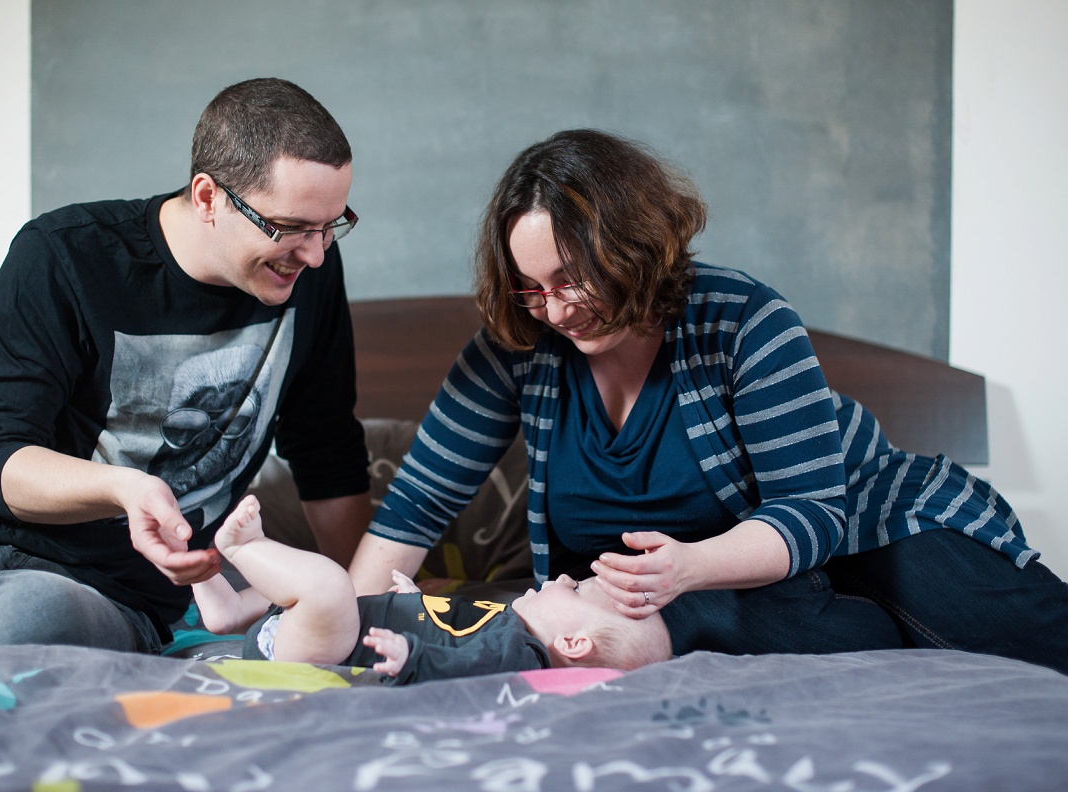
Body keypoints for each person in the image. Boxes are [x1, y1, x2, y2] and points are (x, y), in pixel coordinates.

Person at [349, 128, 1068, 674]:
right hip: (733, 600)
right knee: (727, 626)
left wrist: (687, 565)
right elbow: (416, 504)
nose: (555, 309)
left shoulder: (741, 319)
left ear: (628, 247)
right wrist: (345, 624)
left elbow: (812, 511)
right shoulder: (516, 352)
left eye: (571, 278)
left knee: (1027, 642)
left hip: (871, 522)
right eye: (530, 288)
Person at [0, 78, 374, 662]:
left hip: (109, 589)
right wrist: (123, 488)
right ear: (208, 197)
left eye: (331, 226)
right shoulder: (65, 255)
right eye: (289, 228)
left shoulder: (310, 278)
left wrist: (362, 597)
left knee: (28, 618)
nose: (313, 253)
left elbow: (326, 447)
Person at [194, 495, 672, 684]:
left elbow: (465, 664)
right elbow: (453, 628)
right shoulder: (505, 622)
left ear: (573, 644)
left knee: (329, 586)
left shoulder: (523, 654)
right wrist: (413, 601)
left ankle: (245, 547)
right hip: (302, 637)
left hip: (324, 655)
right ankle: (229, 609)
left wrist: (413, 658)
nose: (565, 577)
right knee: (314, 598)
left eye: (577, 591)